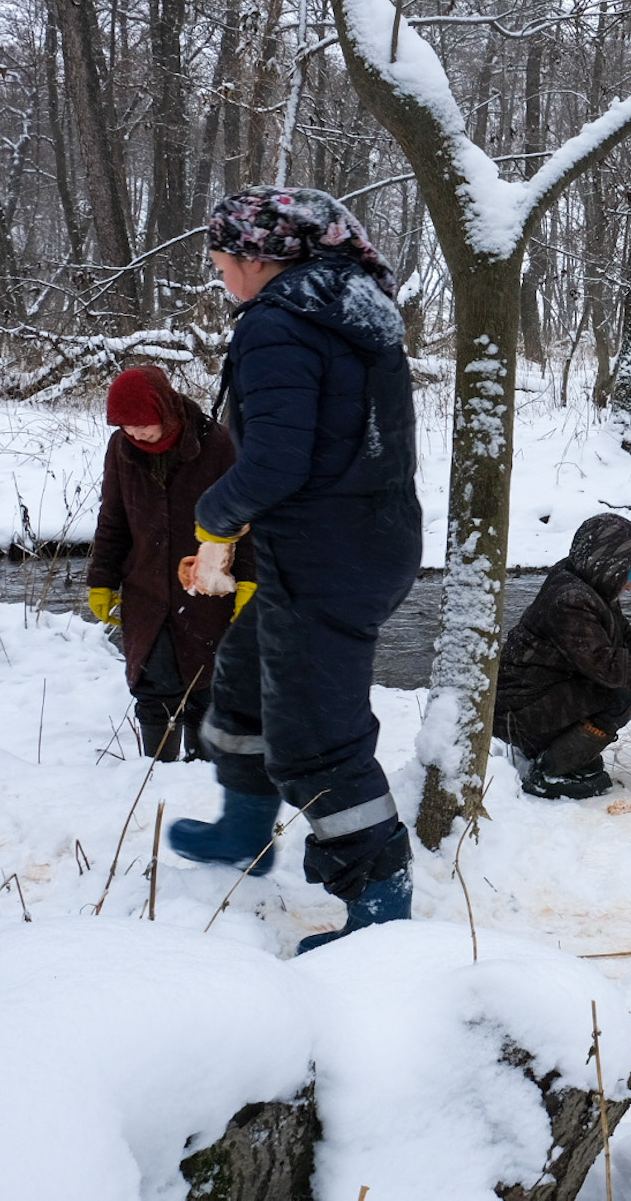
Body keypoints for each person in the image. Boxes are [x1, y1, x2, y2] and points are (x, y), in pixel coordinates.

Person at [164, 186, 421, 954]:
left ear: (254, 258)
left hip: (325, 550)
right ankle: (244, 829)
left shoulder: (279, 323)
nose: (217, 273)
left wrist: (215, 515)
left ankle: (380, 906)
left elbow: (276, 460)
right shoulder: (347, 307)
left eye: (218, 260)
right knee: (243, 678)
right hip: (358, 538)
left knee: (318, 739)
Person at [85, 365, 255, 762]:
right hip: (144, 591)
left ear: (165, 410)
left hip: (206, 590)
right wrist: (102, 580)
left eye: (142, 425)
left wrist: (248, 580)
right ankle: (155, 773)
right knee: (153, 689)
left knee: (204, 689)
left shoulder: (217, 446)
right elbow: (113, 518)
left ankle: (201, 772)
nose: (135, 434)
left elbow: (247, 521)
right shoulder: (121, 448)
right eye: (125, 427)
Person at [494, 513, 631, 799]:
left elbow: (623, 637)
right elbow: (608, 668)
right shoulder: (570, 601)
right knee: (616, 696)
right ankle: (548, 772)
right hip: (517, 714)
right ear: (608, 567)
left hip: (536, 702)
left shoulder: (589, 586)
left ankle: (567, 753)